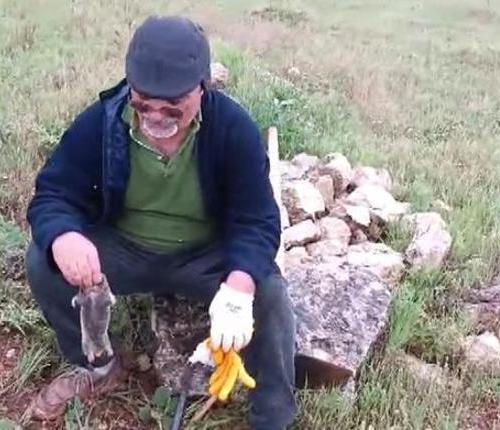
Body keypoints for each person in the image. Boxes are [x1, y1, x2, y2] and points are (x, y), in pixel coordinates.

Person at [24, 15, 297, 430]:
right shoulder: (102, 121)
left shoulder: (233, 129)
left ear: (202, 88)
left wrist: (239, 287)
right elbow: (54, 192)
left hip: (205, 255)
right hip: (124, 249)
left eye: (173, 106)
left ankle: (273, 416)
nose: (156, 116)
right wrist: (63, 235)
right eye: (144, 103)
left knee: (271, 295)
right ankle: (97, 366)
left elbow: (257, 219)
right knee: (43, 262)